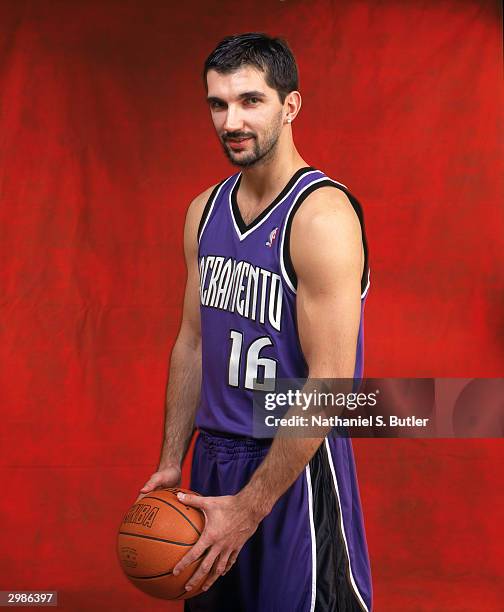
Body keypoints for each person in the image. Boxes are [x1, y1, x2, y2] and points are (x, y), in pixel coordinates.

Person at [139, 32, 373, 612]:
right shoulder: (205, 210)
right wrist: (173, 460)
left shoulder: (320, 217)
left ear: (289, 106)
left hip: (293, 467)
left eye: (250, 100)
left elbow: (331, 387)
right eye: (217, 104)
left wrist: (249, 508)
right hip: (213, 459)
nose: (230, 120)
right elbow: (193, 344)